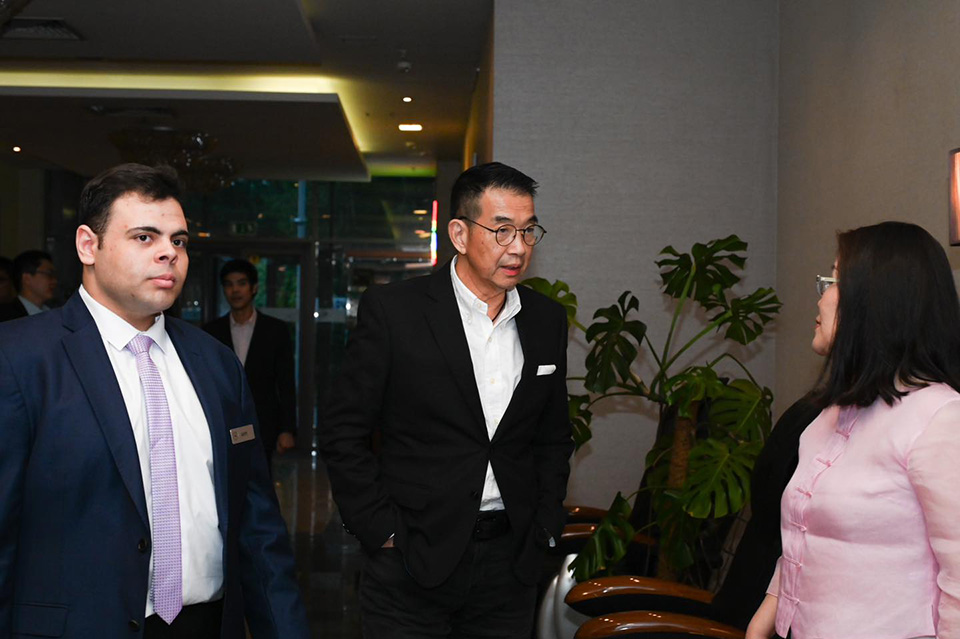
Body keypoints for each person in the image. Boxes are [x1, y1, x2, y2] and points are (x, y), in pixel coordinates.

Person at [0, 163, 310, 638]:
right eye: (144, 237)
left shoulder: (216, 363)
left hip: (206, 625)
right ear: (88, 246)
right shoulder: (19, 357)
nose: (169, 253)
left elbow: (257, 524)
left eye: (178, 241)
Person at [319, 161, 574, 638]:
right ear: (459, 233)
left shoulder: (546, 320)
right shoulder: (396, 311)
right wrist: (381, 530)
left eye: (528, 231)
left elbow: (553, 436)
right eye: (502, 230)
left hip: (509, 564)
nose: (518, 247)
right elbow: (343, 431)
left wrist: (544, 522)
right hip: (411, 560)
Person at [747, 221, 960, 639]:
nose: (821, 296)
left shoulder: (940, 419)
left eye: (835, 281)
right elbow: (804, 538)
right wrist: (760, 625)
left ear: (876, 301)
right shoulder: (830, 415)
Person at [204, 259, 297, 467]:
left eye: (242, 283)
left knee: (261, 482)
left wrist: (287, 429)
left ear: (254, 288)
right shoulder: (211, 332)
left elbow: (286, 382)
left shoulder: (275, 330)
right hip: (223, 424)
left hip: (263, 423)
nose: (235, 290)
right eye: (229, 284)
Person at [0, 249, 58, 321]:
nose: (54, 281)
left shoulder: (54, 314)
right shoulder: (6, 316)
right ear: (27, 278)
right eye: (48, 274)